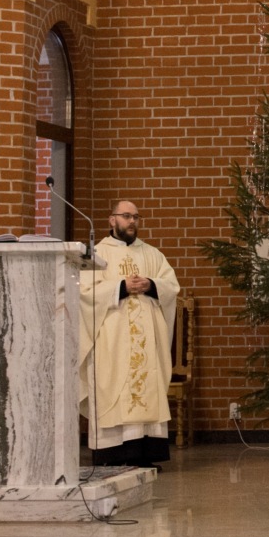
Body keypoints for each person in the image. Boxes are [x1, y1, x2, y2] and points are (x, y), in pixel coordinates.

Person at [78, 200, 181, 467]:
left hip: (146, 340)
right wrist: (121, 287)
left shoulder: (152, 254)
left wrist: (151, 283)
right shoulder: (96, 254)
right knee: (113, 386)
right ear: (112, 220)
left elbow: (171, 286)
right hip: (111, 340)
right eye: (126, 216)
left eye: (136, 216)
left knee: (146, 387)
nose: (132, 221)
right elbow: (84, 292)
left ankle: (145, 454)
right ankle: (113, 455)